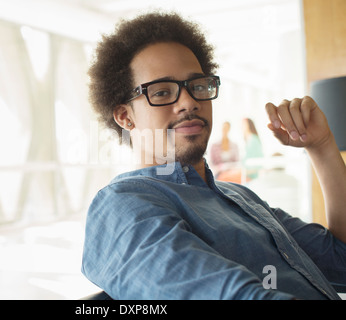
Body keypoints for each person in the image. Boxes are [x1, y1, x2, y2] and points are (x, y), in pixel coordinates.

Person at [81, 12, 346, 300]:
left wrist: (322, 146)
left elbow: (341, 261)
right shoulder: (123, 204)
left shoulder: (240, 198)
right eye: (160, 92)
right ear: (124, 116)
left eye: (197, 86)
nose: (189, 102)